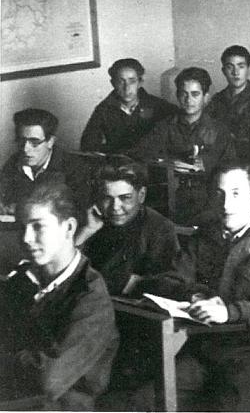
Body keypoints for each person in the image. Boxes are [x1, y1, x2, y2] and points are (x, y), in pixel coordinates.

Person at [172, 163, 250, 411]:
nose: (226, 204)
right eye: (219, 194)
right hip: (208, 347)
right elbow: (174, 279)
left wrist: (229, 312)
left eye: (235, 193)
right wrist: (196, 295)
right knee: (145, 401)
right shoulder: (205, 234)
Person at [0, 182, 119, 410]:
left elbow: (49, 381)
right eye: (22, 226)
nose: (26, 237)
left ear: (69, 228)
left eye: (38, 227)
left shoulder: (90, 297)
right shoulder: (22, 282)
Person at [131, 67, 236, 223]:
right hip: (170, 197)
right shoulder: (165, 126)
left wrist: (206, 164)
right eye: (183, 94)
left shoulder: (219, 130)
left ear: (206, 97)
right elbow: (139, 154)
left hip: (208, 198)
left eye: (195, 94)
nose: (188, 100)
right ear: (177, 96)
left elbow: (231, 168)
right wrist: (168, 162)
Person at [76, 159, 190, 297]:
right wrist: (86, 231)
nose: (115, 207)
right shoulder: (91, 221)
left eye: (125, 198)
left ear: (141, 195)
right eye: (107, 198)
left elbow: (170, 283)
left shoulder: (159, 227)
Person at [0, 108, 90, 215]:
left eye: (35, 142)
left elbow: (78, 211)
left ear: (50, 142)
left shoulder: (74, 168)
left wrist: (21, 208)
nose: (25, 149)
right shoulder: (13, 163)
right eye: (21, 140)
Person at [80, 58, 176, 154]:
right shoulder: (103, 109)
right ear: (113, 83)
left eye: (132, 81)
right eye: (121, 81)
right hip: (119, 165)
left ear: (140, 82)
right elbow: (88, 145)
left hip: (151, 165)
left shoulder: (159, 105)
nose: (127, 88)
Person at [206, 45, 250, 159]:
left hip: (245, 159)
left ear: (249, 70)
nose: (235, 72)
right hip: (218, 155)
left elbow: (241, 137)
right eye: (230, 67)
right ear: (224, 71)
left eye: (241, 66)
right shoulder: (218, 98)